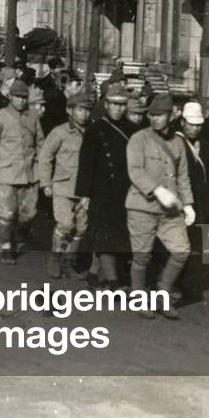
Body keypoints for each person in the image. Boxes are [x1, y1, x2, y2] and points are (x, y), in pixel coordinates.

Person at [125, 93, 195, 320]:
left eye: (160, 115)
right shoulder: (139, 139)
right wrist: (157, 190)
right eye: (152, 115)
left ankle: (162, 294)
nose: (155, 119)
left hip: (170, 210)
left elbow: (183, 176)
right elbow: (135, 170)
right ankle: (138, 298)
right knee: (142, 256)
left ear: (171, 115)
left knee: (181, 251)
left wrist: (188, 205)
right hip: (142, 206)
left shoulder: (178, 143)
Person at [76, 83, 137, 288]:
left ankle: (93, 274)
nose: (118, 109)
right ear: (106, 104)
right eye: (114, 104)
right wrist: (84, 194)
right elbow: (86, 164)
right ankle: (114, 282)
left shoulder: (132, 129)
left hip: (124, 192)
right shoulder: (95, 129)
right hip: (100, 193)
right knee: (105, 238)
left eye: (122, 105)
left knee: (110, 237)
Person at [0, 79, 44, 265]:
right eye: (17, 97)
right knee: (7, 213)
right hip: (6, 173)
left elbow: (40, 142)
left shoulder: (33, 116)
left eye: (24, 97)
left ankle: (19, 233)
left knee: (29, 214)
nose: (21, 100)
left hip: (30, 173)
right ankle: (6, 247)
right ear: (10, 97)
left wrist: (42, 169)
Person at [38, 91, 94, 279]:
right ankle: (55, 259)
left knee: (81, 228)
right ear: (70, 110)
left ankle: (68, 262)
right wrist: (46, 182)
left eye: (87, 110)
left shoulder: (92, 132)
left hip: (84, 189)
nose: (84, 114)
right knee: (64, 224)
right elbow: (45, 156)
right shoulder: (60, 132)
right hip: (62, 186)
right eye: (80, 110)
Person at [175, 100, 209, 304]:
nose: (195, 128)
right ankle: (178, 284)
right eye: (191, 123)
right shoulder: (175, 143)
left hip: (203, 204)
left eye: (198, 124)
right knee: (180, 246)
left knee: (199, 245)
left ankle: (191, 286)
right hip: (183, 203)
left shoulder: (205, 144)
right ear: (182, 122)